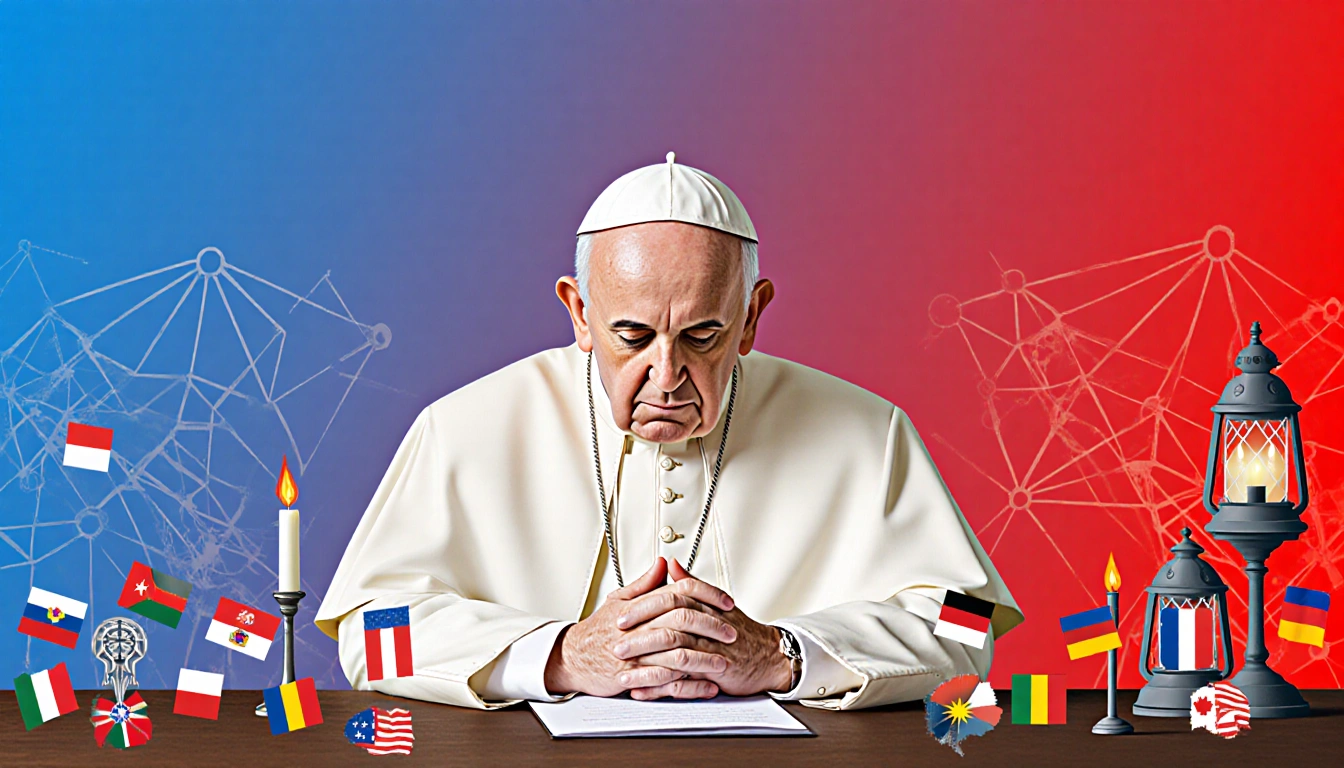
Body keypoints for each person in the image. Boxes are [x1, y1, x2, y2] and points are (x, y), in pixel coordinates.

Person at [316, 151, 1021, 710]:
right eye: (631, 334)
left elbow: (968, 625)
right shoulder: (464, 428)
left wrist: (786, 654)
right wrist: (560, 655)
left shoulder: (868, 431)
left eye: (703, 335)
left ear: (752, 316)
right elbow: (370, 638)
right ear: (578, 312)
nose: (666, 373)